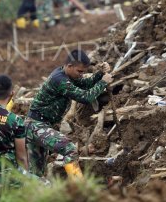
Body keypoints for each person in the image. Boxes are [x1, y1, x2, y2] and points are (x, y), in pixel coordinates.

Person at [25, 50, 113, 178]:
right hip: (36, 126)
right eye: (80, 71)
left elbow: (86, 84)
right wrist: (103, 82)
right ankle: (78, 189)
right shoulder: (59, 80)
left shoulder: (68, 75)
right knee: (69, 149)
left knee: (37, 173)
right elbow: (85, 97)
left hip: (39, 126)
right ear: (69, 66)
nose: (82, 75)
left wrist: (100, 74)